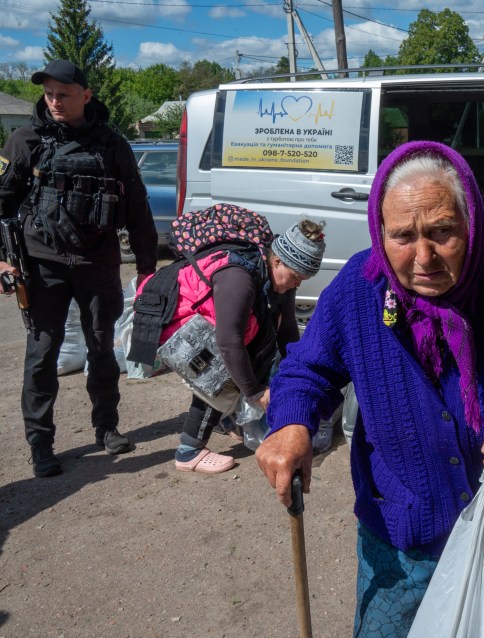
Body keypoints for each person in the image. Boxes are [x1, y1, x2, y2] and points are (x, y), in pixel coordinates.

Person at [255, 141, 484, 636]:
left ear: (471, 221)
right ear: (379, 231)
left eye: (443, 232)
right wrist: (290, 423)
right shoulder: (358, 290)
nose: (423, 256)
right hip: (401, 535)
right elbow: (308, 370)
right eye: (402, 236)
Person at [0, 60, 158, 478]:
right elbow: (1, 203)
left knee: (102, 350)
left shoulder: (111, 144)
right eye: (49, 93)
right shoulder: (23, 140)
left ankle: (106, 428)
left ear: (85, 95)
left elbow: (139, 209)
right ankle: (41, 444)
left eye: (63, 94)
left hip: (97, 263)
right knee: (41, 354)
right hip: (42, 265)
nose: (54, 101)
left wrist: (146, 268)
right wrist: (2, 259)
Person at [137, 215, 326, 474]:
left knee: (261, 345)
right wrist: (254, 392)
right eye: (296, 277)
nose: (297, 284)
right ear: (278, 260)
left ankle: (227, 420)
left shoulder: (281, 279)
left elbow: (287, 331)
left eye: (302, 280)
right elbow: (228, 343)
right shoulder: (240, 279)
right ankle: (189, 450)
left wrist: (299, 370)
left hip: (216, 327)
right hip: (174, 319)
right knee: (223, 371)